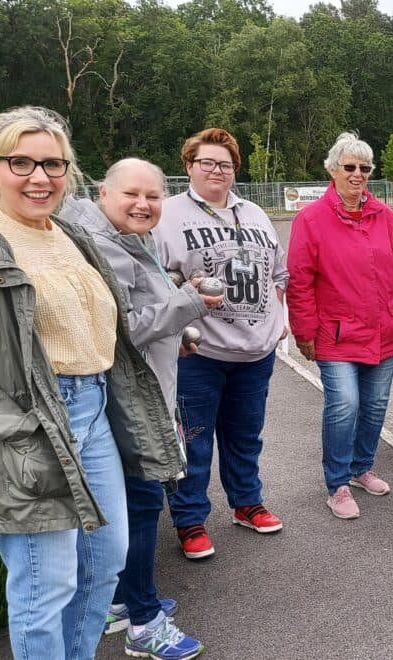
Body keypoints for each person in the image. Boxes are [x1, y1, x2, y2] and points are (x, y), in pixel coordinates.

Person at [0, 106, 185, 660]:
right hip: (33, 426)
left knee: (105, 563)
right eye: (22, 162)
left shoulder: (68, 234)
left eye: (53, 164)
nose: (40, 178)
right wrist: (20, 425)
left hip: (95, 412)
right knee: (47, 588)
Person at [62, 158, 219, 658]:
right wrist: (190, 303)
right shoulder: (101, 248)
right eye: (132, 194)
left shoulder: (129, 237)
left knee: (134, 505)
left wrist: (181, 335)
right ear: (103, 193)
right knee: (144, 504)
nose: (144, 204)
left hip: (146, 389)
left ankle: (125, 601)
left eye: (153, 196)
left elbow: (150, 311)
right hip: (130, 402)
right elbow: (124, 327)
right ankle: (145, 623)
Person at [153, 128, 289, 558]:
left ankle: (246, 503)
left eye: (225, 164)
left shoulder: (254, 214)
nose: (217, 170)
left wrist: (278, 318)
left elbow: (279, 274)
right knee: (193, 439)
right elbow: (152, 279)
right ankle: (190, 519)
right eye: (207, 163)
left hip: (254, 351)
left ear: (235, 171)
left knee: (246, 435)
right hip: (199, 352)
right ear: (189, 166)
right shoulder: (168, 215)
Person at [286, 132, 393, 520]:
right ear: (332, 170)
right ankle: (338, 483)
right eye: (350, 167)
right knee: (345, 403)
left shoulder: (384, 216)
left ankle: (362, 468)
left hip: (383, 331)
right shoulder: (311, 220)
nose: (358, 174)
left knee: (374, 406)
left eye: (364, 167)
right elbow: (300, 279)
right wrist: (304, 331)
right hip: (337, 334)